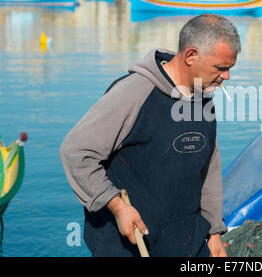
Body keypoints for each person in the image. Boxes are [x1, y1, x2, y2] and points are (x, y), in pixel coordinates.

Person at [59, 13, 240, 257]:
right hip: (129, 246)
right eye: (221, 68)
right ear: (191, 55)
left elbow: (209, 169)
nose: (226, 76)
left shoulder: (203, 98)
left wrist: (214, 232)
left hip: (186, 243)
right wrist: (117, 207)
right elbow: (76, 152)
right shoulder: (133, 93)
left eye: (229, 68)